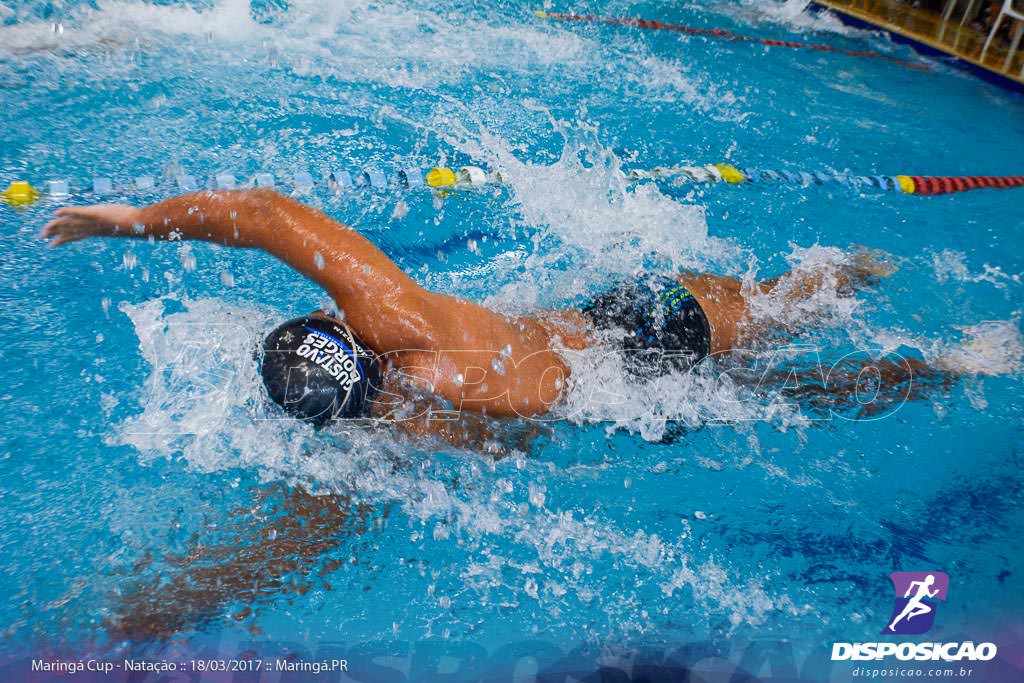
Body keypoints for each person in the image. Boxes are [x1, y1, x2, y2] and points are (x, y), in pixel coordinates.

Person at [41, 188, 896, 427]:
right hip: (635, 331)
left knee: (793, 389)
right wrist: (129, 222)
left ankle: (921, 354)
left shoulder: (384, 421)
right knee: (804, 302)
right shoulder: (393, 316)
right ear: (340, 328)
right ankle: (879, 282)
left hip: (612, 387)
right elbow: (265, 215)